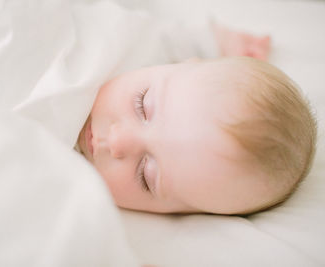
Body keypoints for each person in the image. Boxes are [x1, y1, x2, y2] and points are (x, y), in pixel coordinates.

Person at [76, 24, 317, 215]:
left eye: (146, 177)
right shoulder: (118, 47)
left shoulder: (73, 198)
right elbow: (162, 39)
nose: (117, 140)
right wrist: (217, 41)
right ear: (178, 63)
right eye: (142, 106)